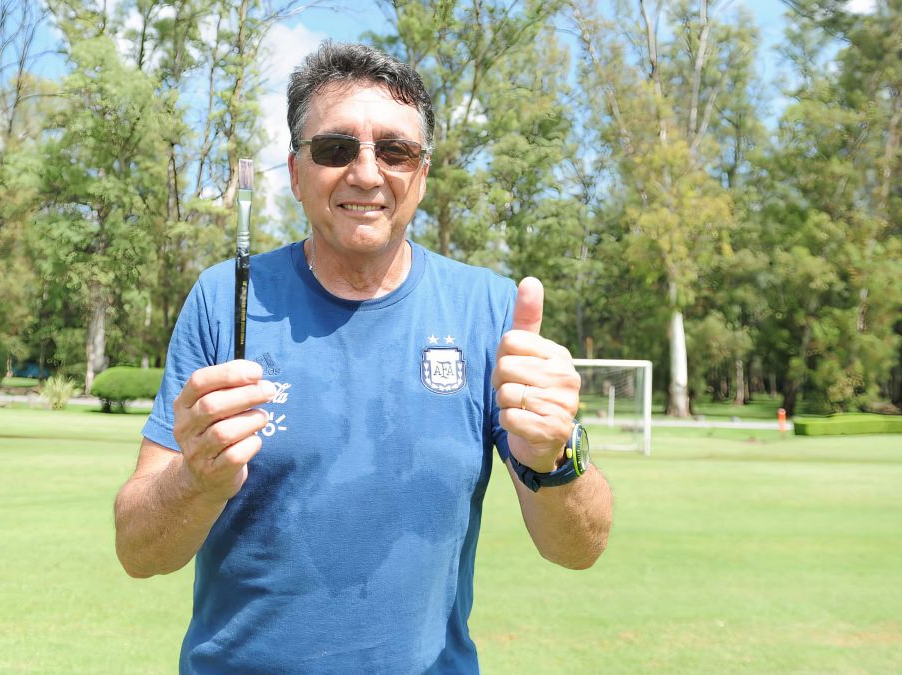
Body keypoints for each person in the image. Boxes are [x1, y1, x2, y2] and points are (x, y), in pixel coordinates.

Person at [115, 41, 613, 674]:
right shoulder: (225, 299)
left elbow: (578, 549)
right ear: (296, 172)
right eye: (335, 148)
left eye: (396, 150)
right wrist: (196, 482)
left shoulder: (489, 310)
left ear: (422, 174)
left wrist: (556, 455)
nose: (367, 173)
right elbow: (139, 551)